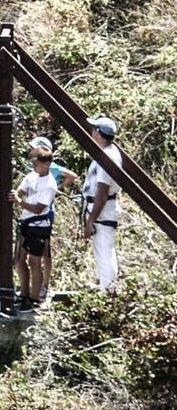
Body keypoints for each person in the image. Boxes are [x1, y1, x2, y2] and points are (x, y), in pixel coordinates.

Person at [27, 136, 78, 300]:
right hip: (33, 212)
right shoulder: (34, 166)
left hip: (45, 213)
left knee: (44, 251)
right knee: (35, 252)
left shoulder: (50, 167)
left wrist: (58, 188)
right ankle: (37, 286)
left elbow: (72, 175)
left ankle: (45, 286)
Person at [11, 146, 58, 311]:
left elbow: (39, 208)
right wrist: (16, 195)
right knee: (19, 259)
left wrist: (19, 202)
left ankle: (33, 297)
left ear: (44, 164)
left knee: (34, 261)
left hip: (39, 224)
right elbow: (21, 190)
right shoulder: (32, 176)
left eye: (35, 163)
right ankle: (23, 294)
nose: (33, 166)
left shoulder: (50, 184)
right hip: (26, 221)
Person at [82, 116, 123, 292]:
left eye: (94, 129)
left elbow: (102, 193)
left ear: (98, 133)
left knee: (105, 253)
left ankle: (109, 292)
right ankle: (107, 289)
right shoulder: (109, 153)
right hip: (103, 210)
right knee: (103, 252)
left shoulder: (108, 157)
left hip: (103, 212)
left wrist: (91, 220)